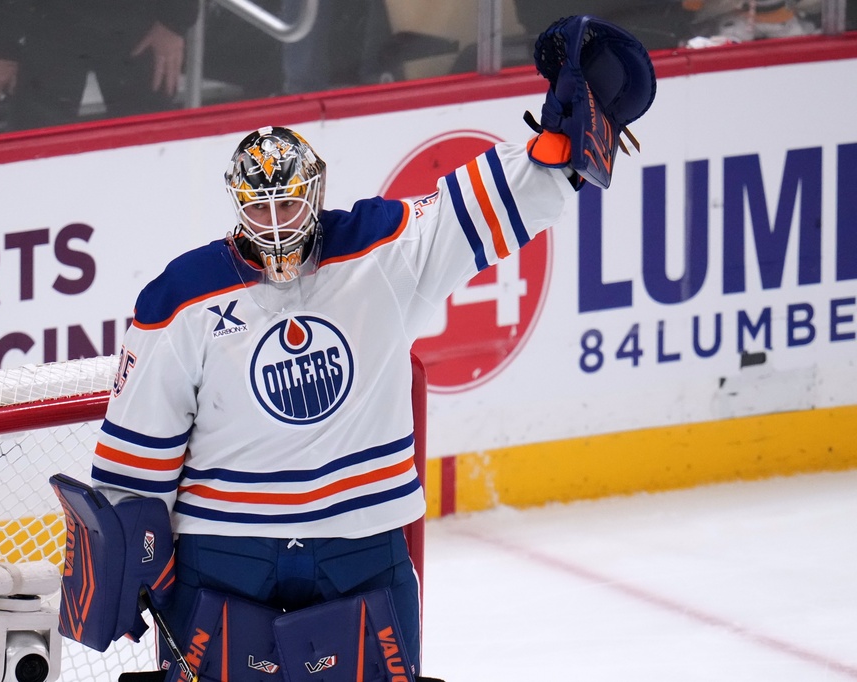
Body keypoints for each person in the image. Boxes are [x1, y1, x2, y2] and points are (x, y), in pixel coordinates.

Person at [56, 16, 655, 682]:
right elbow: (137, 454)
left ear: (318, 192)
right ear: (236, 206)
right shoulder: (180, 298)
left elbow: (482, 203)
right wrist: (133, 558)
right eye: (261, 208)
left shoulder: (383, 251)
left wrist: (561, 147)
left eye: (290, 203)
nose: (278, 223)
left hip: (361, 549)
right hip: (228, 554)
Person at [0, 0, 199, 131]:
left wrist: (173, 21)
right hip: (52, 20)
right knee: (38, 144)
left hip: (139, 23)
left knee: (149, 138)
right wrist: (1, 46)